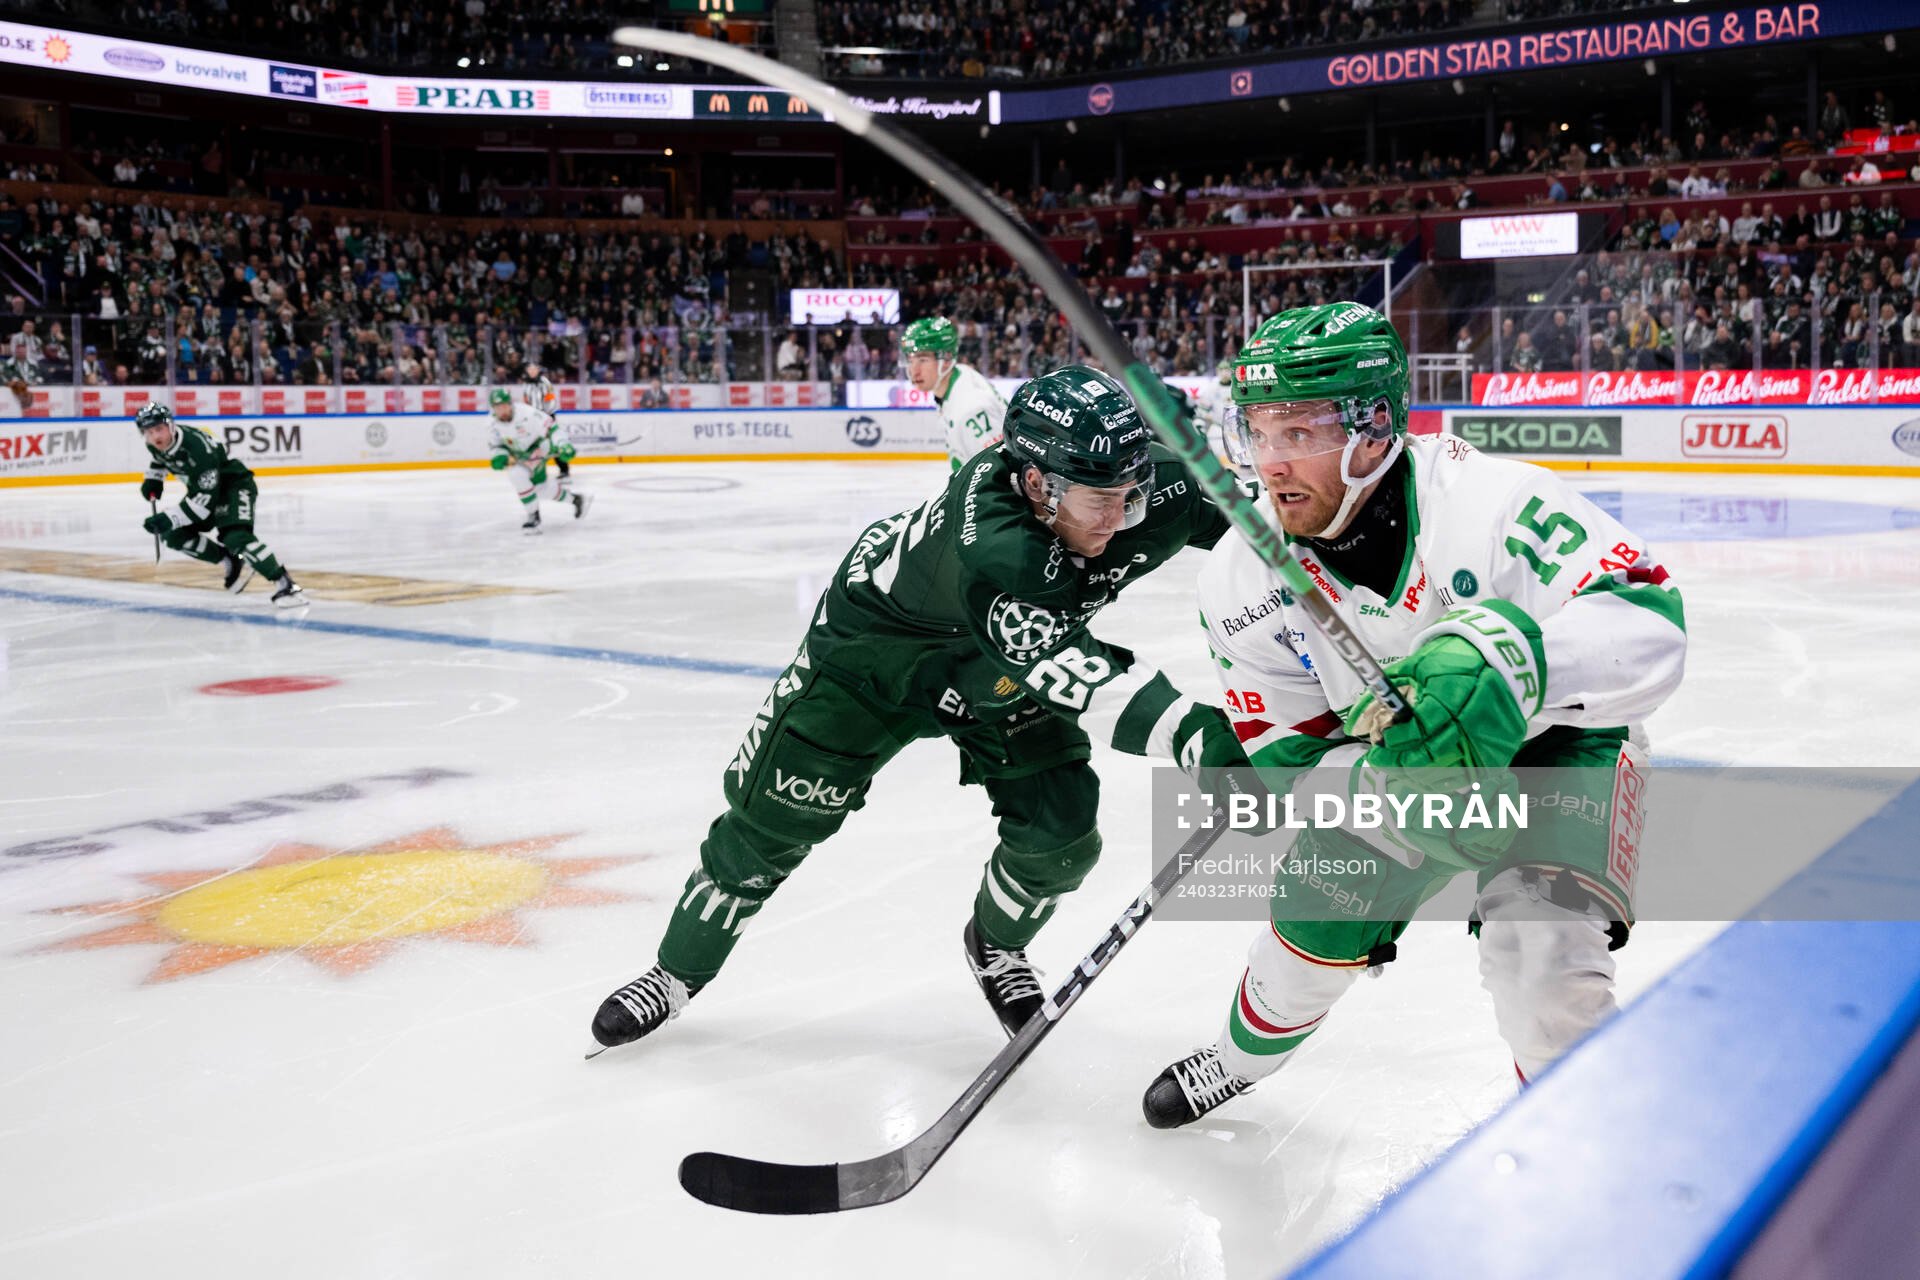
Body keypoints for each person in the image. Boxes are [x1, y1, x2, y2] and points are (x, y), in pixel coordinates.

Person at [589, 365, 1255, 1051]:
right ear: (1036, 485)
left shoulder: (1140, 485)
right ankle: (674, 974)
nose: (1120, 522)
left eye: (1132, 495)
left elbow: (1266, 534)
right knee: (771, 824)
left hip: (997, 660)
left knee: (1061, 835)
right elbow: (1076, 671)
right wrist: (1197, 739)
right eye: (1099, 504)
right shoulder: (999, 548)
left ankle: (996, 948)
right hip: (872, 657)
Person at [1138, 303, 1687, 1128]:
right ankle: (1239, 1059)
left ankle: (1592, 1154)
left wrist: (1514, 663)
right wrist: (1399, 787)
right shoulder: (1237, 580)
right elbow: (1289, 755)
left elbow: (1651, 623)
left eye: (1302, 431)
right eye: (1260, 433)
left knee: (1541, 968)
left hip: (1556, 745)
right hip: (1385, 766)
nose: (1274, 463)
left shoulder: (1491, 503)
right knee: (1300, 949)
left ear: (1377, 426)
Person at [135, 403, 307, 607]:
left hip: (233, 487)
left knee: (236, 537)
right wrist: (154, 478)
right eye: (149, 432)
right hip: (204, 491)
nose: (156, 437)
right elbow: (160, 459)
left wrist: (169, 518)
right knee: (174, 535)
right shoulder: (155, 444)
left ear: (171, 425)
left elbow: (202, 505)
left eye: (159, 429)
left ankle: (285, 583)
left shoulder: (198, 450)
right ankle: (230, 560)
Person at [901, 316, 1009, 471]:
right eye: (911, 360)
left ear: (946, 359)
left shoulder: (970, 408)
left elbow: (1002, 475)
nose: (914, 370)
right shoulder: (958, 377)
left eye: (923, 359)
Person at [486, 387, 588, 533]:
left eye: (504, 405)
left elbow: (553, 428)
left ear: (510, 404)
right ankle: (575, 499)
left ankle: (533, 515)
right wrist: (499, 456)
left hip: (539, 448)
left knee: (517, 475)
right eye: (497, 407)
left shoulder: (528, 413)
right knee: (541, 489)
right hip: (519, 455)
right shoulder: (491, 423)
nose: (501, 410)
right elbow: (496, 445)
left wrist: (562, 444)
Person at [519, 365, 568, 480]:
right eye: (529, 369)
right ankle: (535, 471)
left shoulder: (545, 382)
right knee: (534, 445)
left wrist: (547, 415)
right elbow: (525, 401)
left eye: (533, 369)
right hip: (533, 420)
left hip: (546, 417)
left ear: (538, 370)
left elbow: (551, 399)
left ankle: (564, 470)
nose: (531, 371)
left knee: (553, 443)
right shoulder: (526, 385)